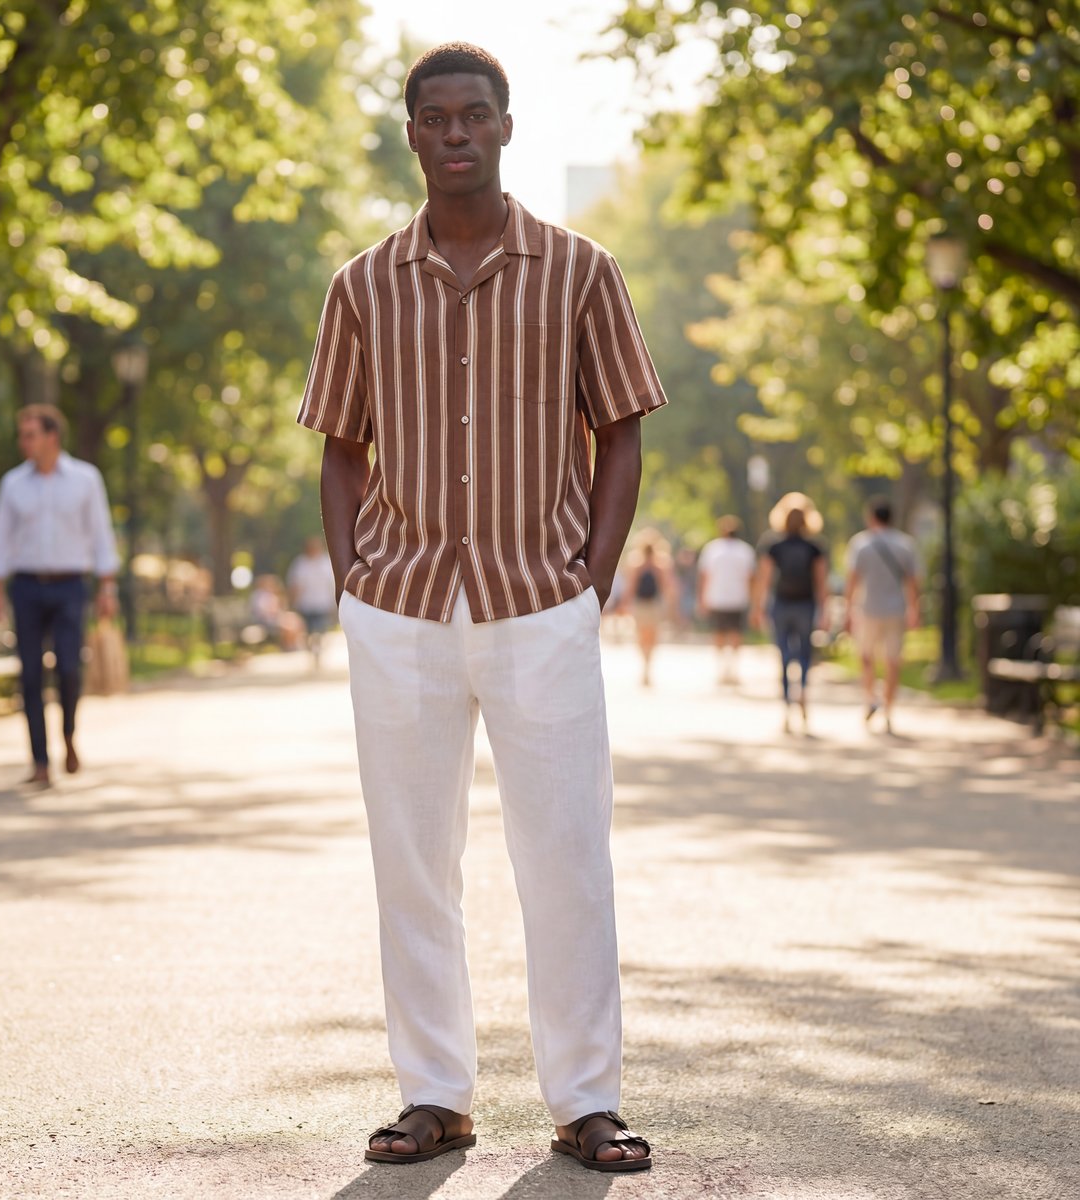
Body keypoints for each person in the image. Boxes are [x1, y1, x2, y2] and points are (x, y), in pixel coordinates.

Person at [298, 43, 663, 1172]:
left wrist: (591, 575)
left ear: (506, 129)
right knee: (411, 859)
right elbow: (340, 445)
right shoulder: (362, 285)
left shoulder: (580, 271)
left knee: (566, 854)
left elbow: (621, 429)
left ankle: (586, 1100)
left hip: (537, 602)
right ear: (411, 134)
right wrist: (356, 577)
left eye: (475, 117)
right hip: (401, 608)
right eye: (435, 118)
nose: (455, 134)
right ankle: (436, 1095)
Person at [0, 405, 119, 785]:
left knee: (69, 669)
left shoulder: (85, 479)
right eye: (22, 434)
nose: (22, 441)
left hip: (70, 585)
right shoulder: (12, 484)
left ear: (51, 437)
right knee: (29, 675)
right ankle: (40, 761)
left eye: (30, 434)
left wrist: (107, 588)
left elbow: (101, 536)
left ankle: (68, 735)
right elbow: (1, 541)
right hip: (27, 586)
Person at [845, 496, 922, 734]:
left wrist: (848, 610)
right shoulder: (905, 544)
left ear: (871, 517)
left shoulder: (860, 544)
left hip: (867, 609)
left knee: (866, 657)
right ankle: (888, 709)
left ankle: (870, 698)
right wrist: (914, 609)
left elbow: (852, 580)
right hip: (895, 609)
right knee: (892, 662)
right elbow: (912, 581)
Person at [752, 495, 828, 733]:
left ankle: (787, 703)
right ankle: (803, 689)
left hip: (782, 604)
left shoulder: (773, 545)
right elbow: (821, 582)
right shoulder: (815, 547)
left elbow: (764, 580)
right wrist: (825, 611)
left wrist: (757, 607)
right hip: (806, 605)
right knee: (805, 652)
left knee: (784, 654)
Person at [696, 516, 756, 685]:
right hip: (738, 598)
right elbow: (750, 578)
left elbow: (705, 576)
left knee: (719, 633)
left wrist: (701, 598)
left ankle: (722, 667)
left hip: (717, 597)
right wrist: (753, 600)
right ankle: (733, 668)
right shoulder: (745, 550)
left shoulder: (712, 549)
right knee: (736, 633)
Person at [622, 531, 675, 686]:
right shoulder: (656, 563)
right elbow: (667, 586)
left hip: (646, 604)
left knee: (644, 635)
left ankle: (646, 665)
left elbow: (630, 587)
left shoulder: (643, 563)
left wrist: (624, 603)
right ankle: (647, 664)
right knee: (650, 635)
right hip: (650, 604)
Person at [286, 536, 337, 667]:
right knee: (308, 631)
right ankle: (312, 650)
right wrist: (293, 601)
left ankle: (317, 652)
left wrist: (334, 601)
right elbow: (296, 584)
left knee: (320, 629)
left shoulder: (326, 562)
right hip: (305, 603)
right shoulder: (300, 563)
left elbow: (332, 583)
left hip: (322, 603)